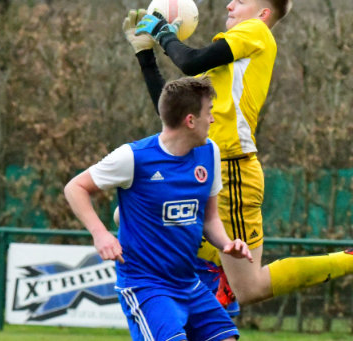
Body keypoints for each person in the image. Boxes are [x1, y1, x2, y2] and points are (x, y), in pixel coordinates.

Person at [123, 0, 353, 309]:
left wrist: (163, 32)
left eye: (240, 0)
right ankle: (218, 267)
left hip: (232, 171)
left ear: (263, 14)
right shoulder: (224, 68)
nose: (229, 5)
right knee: (133, 216)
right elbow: (171, 113)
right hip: (202, 168)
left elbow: (190, 60)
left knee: (251, 287)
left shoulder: (256, 32)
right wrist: (145, 54)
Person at [64, 77, 253, 341]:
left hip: (188, 282)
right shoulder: (134, 157)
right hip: (146, 285)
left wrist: (226, 244)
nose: (212, 120)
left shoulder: (209, 152)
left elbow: (209, 218)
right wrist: (100, 234)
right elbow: (75, 187)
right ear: (190, 120)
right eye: (208, 112)